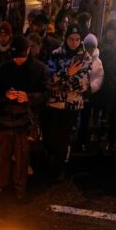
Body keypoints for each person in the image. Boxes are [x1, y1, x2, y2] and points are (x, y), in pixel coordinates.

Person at [0, 36, 49, 199]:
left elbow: (46, 94)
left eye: (22, 57)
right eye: (16, 57)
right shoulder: (4, 68)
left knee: (22, 157)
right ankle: (1, 184)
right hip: (5, 118)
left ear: (29, 51)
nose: (18, 61)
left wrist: (29, 97)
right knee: (3, 155)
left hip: (26, 120)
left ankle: (20, 187)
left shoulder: (39, 69)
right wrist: (5, 95)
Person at [45, 25, 92, 180]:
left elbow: (82, 85)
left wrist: (61, 82)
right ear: (66, 39)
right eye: (71, 39)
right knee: (53, 136)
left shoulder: (85, 58)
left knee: (65, 138)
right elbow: (50, 81)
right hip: (54, 103)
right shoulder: (56, 54)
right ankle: (53, 163)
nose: (74, 42)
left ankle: (60, 167)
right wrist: (68, 73)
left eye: (77, 39)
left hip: (72, 105)